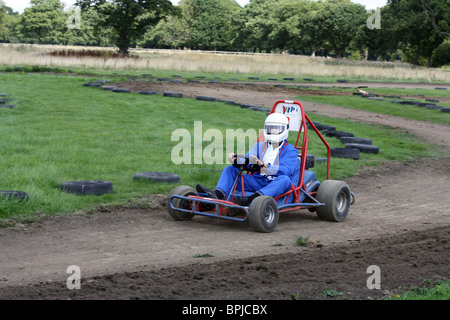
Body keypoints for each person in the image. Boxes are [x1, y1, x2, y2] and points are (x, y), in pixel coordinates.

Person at [196, 113, 299, 206]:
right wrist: (235, 160)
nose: (272, 131)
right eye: (270, 128)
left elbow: (286, 171)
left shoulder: (290, 151)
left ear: (284, 129)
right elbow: (247, 161)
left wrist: (263, 165)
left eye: (276, 128)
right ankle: (217, 195)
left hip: (275, 183)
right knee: (230, 170)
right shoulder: (260, 146)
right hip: (257, 180)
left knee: (285, 180)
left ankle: (252, 199)